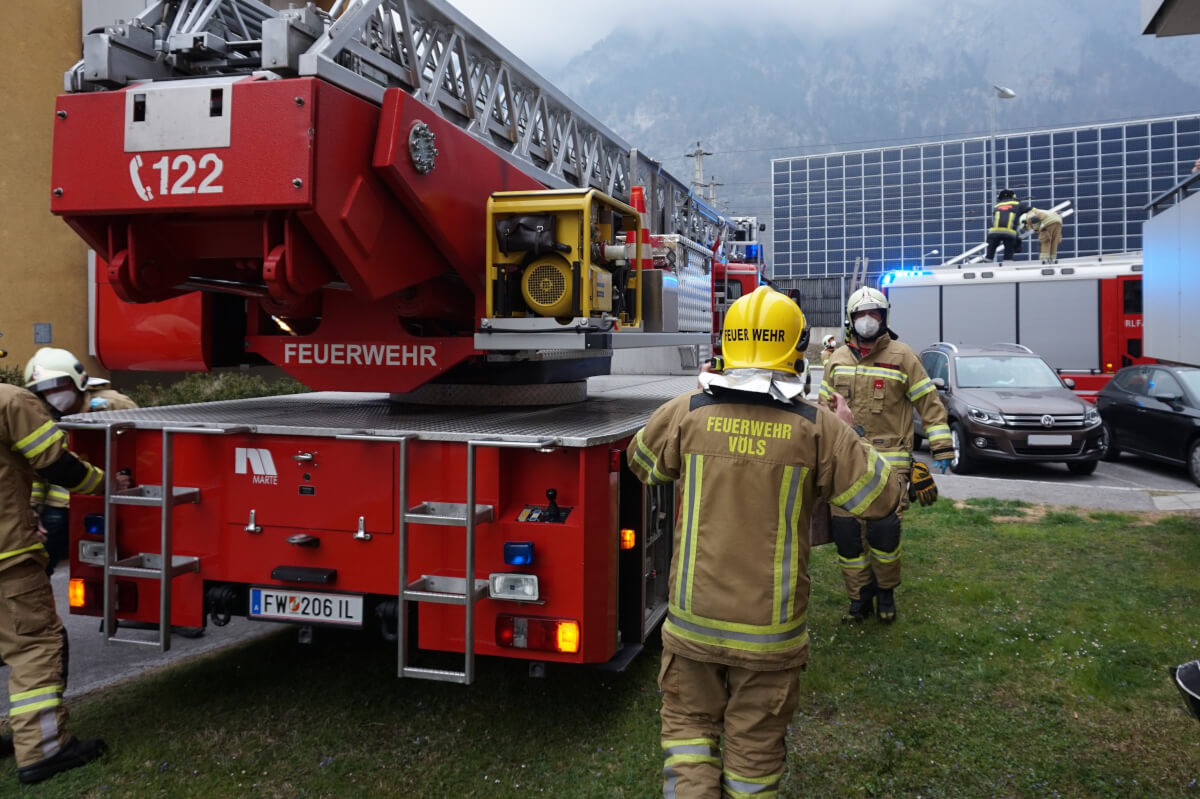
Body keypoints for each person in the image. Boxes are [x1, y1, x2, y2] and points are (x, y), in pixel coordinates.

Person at [628, 286, 903, 798]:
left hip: (692, 623)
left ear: (727, 346)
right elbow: (883, 498)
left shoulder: (687, 411)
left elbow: (641, 462)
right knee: (753, 754)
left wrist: (693, 407)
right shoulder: (819, 428)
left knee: (689, 735)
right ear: (795, 350)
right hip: (769, 634)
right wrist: (855, 432)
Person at [0, 347, 108, 783]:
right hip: (7, 558)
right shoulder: (9, 401)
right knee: (34, 645)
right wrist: (105, 483)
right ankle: (43, 750)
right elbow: (57, 465)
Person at [819, 287, 955, 624]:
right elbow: (823, 412)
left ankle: (885, 593)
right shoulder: (837, 360)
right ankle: (858, 599)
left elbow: (929, 404)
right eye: (862, 315)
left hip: (889, 466)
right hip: (845, 463)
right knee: (848, 538)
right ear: (850, 320)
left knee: (884, 535)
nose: (868, 320)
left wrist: (941, 446)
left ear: (884, 317)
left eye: (875, 314)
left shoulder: (903, 357)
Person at [28, 366, 137, 575]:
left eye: (58, 386)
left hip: (105, 499)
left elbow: (136, 447)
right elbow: (37, 471)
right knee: (40, 567)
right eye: (46, 389)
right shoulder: (40, 415)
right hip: (61, 507)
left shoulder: (112, 404)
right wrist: (33, 512)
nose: (53, 394)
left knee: (112, 565)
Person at [983, 189, 1030, 264]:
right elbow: (1030, 210)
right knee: (1008, 252)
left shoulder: (997, 205)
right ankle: (1007, 261)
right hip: (1009, 232)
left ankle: (988, 259)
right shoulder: (1018, 204)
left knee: (991, 251)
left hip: (994, 232)